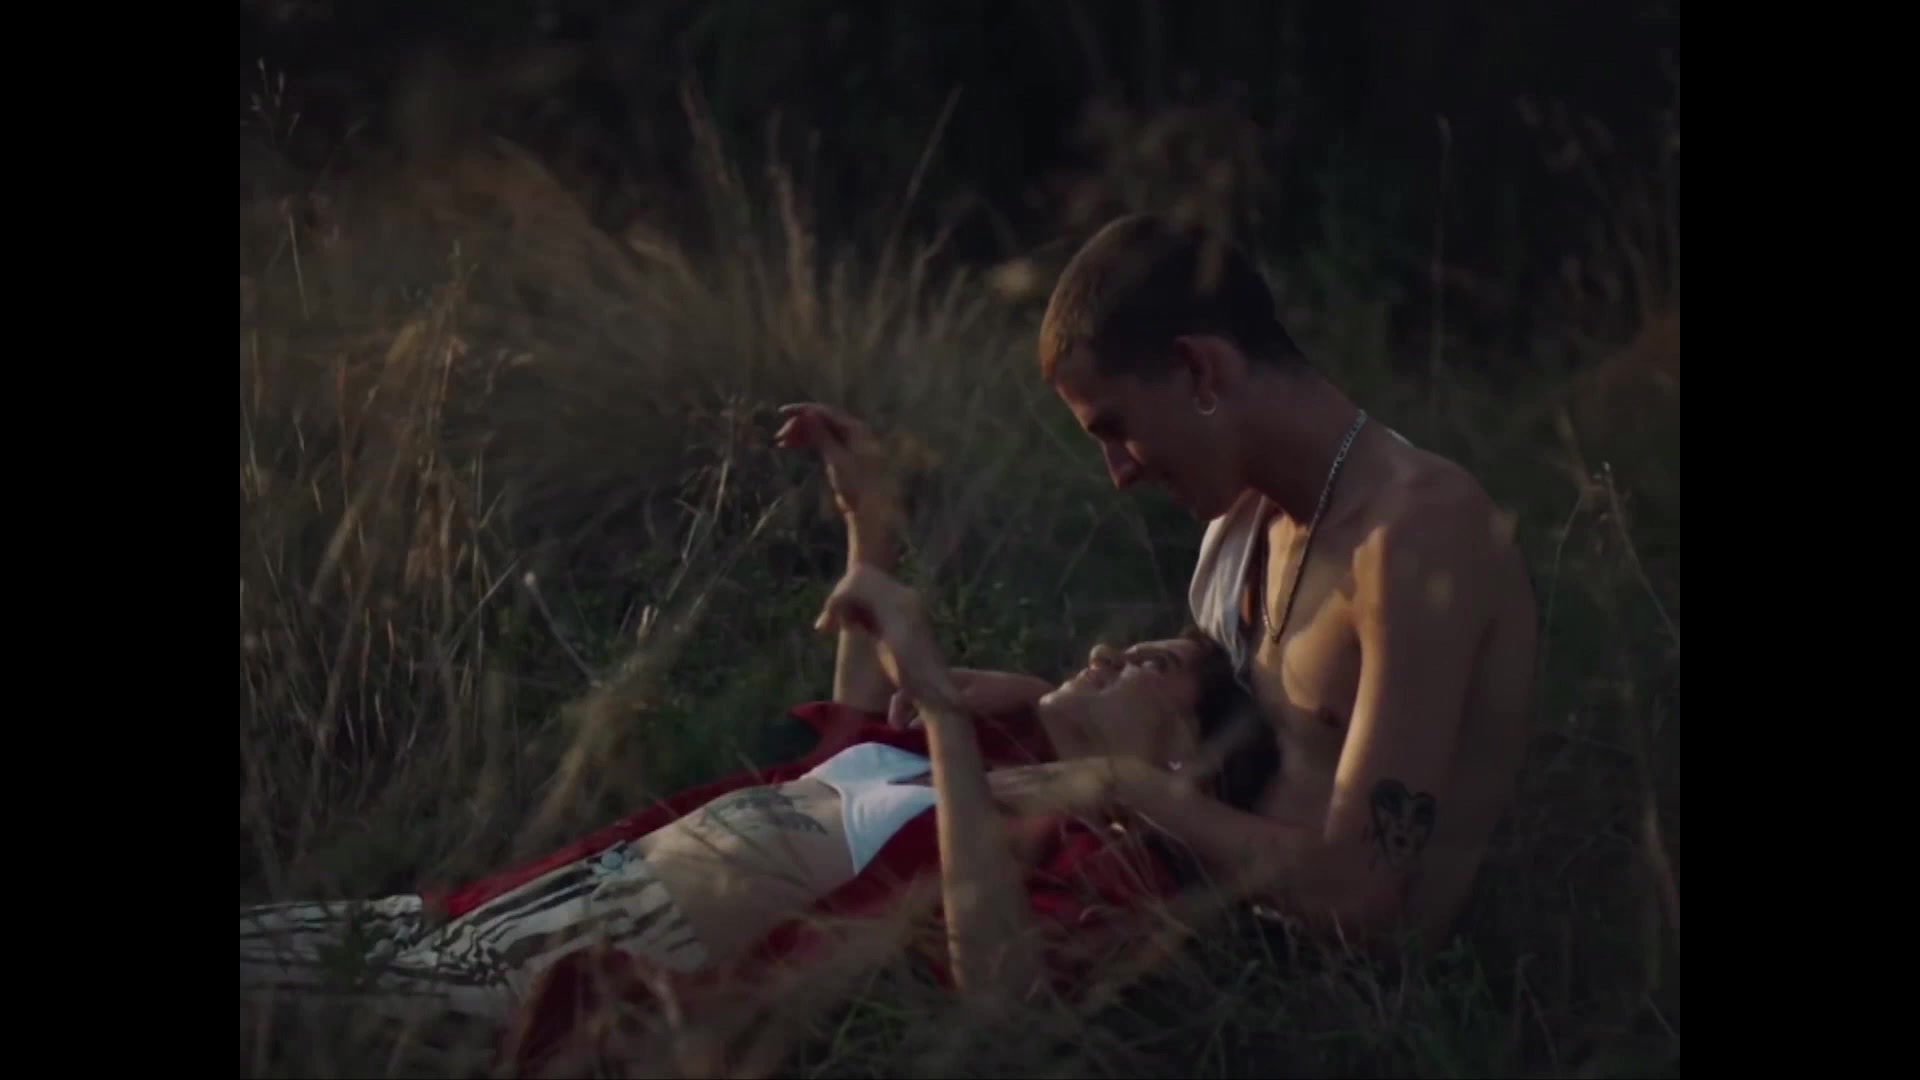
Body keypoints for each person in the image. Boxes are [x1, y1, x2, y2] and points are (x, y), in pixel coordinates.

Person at [239, 403, 1277, 1072]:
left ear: (1181, 760)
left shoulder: (1103, 858)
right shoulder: (998, 757)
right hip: (527, 905)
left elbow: (1000, 989)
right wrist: (870, 523)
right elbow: (845, 752)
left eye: (1152, 665)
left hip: (585, 981)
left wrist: (946, 711)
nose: (1104, 652)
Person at [1032, 212, 1540, 947]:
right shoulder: (1251, 519)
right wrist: (1015, 703)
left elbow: (1364, 894)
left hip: (1361, 1003)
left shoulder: (1416, 538)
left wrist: (1125, 787)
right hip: (1221, 946)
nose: (1119, 474)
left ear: (1199, 370)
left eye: (1115, 429)